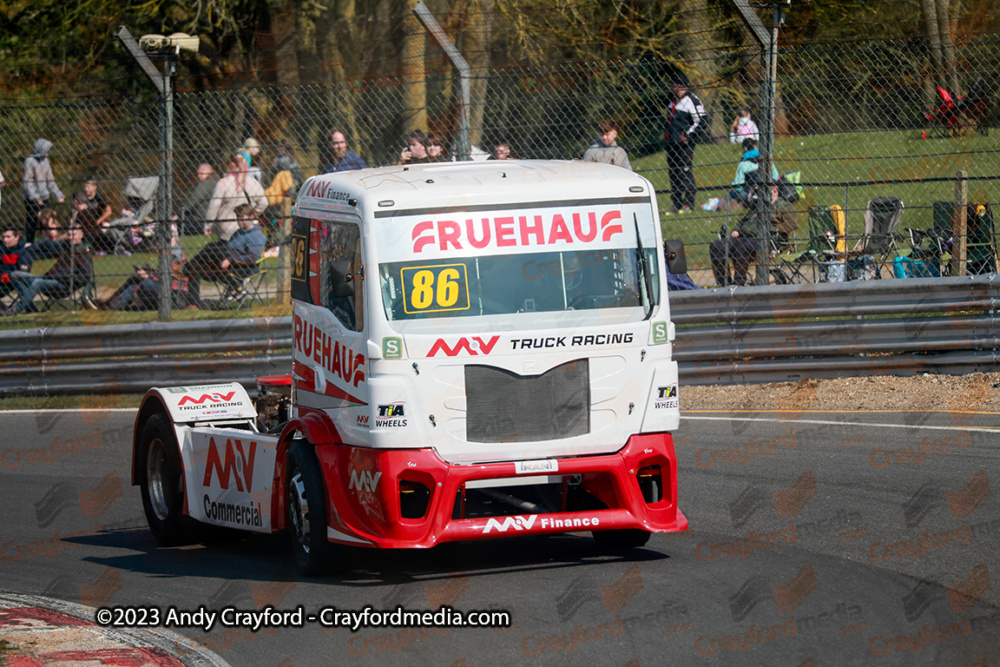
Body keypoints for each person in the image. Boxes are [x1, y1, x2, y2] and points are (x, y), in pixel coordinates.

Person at [183, 204, 266, 309]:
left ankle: (184, 267)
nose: (238, 220)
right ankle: (192, 304)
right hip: (225, 266)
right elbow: (228, 249)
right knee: (194, 267)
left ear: (252, 216)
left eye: (241, 217)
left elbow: (253, 258)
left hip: (241, 270)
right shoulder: (238, 233)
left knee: (213, 246)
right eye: (237, 217)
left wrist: (230, 259)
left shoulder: (257, 236)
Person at [4, 225, 92, 315]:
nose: (70, 237)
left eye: (74, 235)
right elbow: (46, 243)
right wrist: (28, 248)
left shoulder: (84, 253)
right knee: (15, 275)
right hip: (48, 279)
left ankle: (16, 309)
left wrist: (65, 278)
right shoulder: (65, 246)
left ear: (81, 235)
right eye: (69, 235)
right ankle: (31, 309)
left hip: (63, 285)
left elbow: (85, 276)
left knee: (38, 282)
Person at [204, 153, 269, 244]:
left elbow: (214, 206)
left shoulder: (223, 183)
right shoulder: (252, 182)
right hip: (247, 226)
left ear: (232, 165)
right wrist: (254, 214)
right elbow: (264, 202)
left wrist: (208, 225)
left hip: (226, 228)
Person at [663, 77, 705, 214]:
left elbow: (702, 121)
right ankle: (677, 203)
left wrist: (689, 136)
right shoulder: (673, 102)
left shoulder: (692, 100)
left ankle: (688, 203)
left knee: (685, 172)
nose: (672, 88)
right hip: (671, 143)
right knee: (673, 174)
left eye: (674, 85)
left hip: (684, 144)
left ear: (680, 86)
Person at [22, 138, 66, 243]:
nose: (47, 154)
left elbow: (50, 180)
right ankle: (30, 242)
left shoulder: (45, 161)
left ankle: (48, 241)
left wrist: (58, 195)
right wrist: (36, 198)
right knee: (32, 220)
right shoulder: (29, 161)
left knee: (47, 221)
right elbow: (28, 182)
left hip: (44, 197)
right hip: (32, 199)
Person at [70, 179, 114, 254]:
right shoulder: (83, 197)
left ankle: (93, 248)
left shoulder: (99, 197)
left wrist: (99, 221)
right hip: (84, 224)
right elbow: (76, 211)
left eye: (88, 187)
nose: (86, 189)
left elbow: (109, 211)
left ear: (94, 187)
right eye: (85, 187)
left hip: (96, 224)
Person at [176, 163, 218, 234]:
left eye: (201, 174)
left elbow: (191, 202)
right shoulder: (219, 181)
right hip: (215, 220)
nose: (198, 176)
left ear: (209, 172)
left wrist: (178, 214)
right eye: (198, 174)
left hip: (202, 220)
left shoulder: (205, 184)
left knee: (176, 223)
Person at [1, 227, 31, 302]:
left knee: (16, 279)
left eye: (8, 237)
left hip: (15, 279)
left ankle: (29, 307)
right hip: (2, 280)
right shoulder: (2, 249)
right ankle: (4, 310)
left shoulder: (24, 250)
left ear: (17, 237)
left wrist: (7, 272)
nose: (5, 240)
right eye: (3, 237)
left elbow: (22, 271)